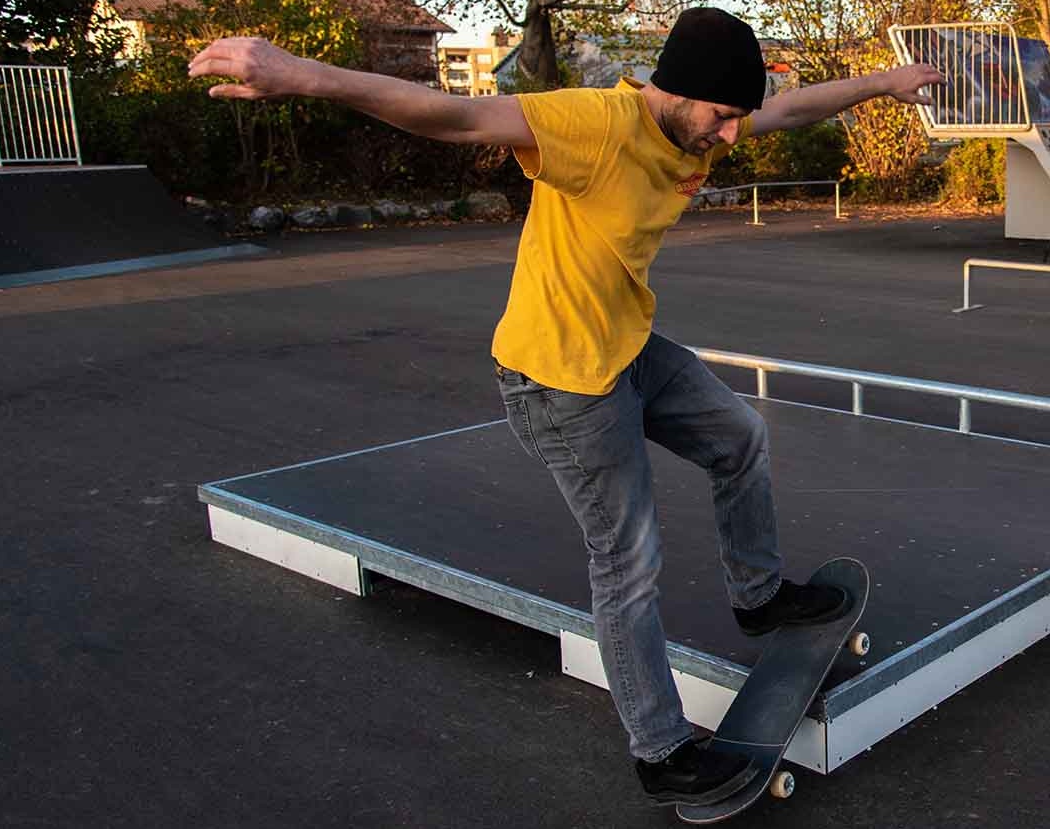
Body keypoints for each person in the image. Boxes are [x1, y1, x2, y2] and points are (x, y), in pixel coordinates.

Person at [187, 9, 943, 806]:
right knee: (629, 559)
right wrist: (303, 72)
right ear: (679, 94)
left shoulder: (703, 122)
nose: (728, 140)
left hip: (624, 349)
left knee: (740, 435)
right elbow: (454, 115)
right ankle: (660, 749)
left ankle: (759, 598)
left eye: (735, 121)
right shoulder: (590, 124)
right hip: (558, 381)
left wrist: (886, 84)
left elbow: (793, 107)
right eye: (721, 119)